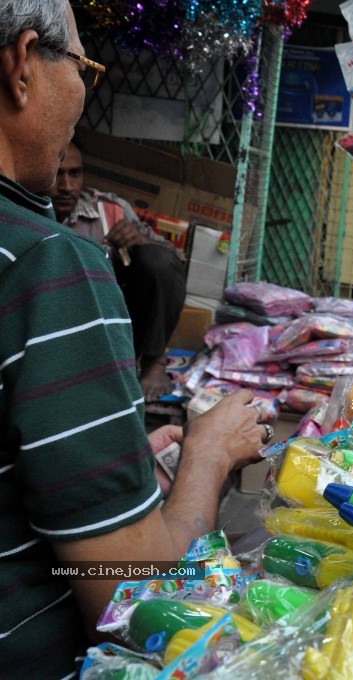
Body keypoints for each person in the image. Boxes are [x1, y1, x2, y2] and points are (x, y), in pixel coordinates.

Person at [0, 3, 265, 676]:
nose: (84, 94)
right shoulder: (48, 266)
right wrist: (209, 456)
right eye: (83, 66)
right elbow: (133, 600)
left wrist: (98, 465)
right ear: (22, 63)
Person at [47, 141, 186, 402]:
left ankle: (154, 361)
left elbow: (173, 259)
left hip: (112, 318)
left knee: (157, 259)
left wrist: (138, 242)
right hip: (59, 321)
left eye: (75, 173)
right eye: (57, 174)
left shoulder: (110, 210)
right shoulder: (24, 212)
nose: (66, 186)